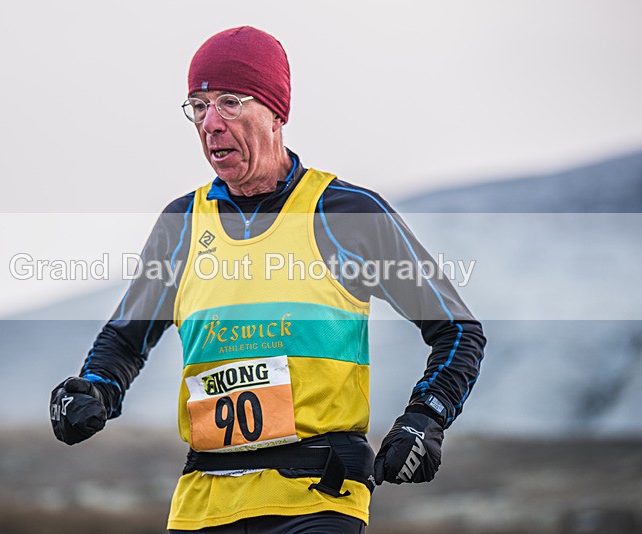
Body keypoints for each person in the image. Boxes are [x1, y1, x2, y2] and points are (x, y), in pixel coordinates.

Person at [50, 26, 486, 533]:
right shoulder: (182, 224)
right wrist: (93, 390)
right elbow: (125, 340)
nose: (211, 123)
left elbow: (458, 330)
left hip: (318, 499)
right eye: (198, 106)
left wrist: (425, 418)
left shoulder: (346, 215)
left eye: (230, 103)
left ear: (277, 114)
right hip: (204, 501)